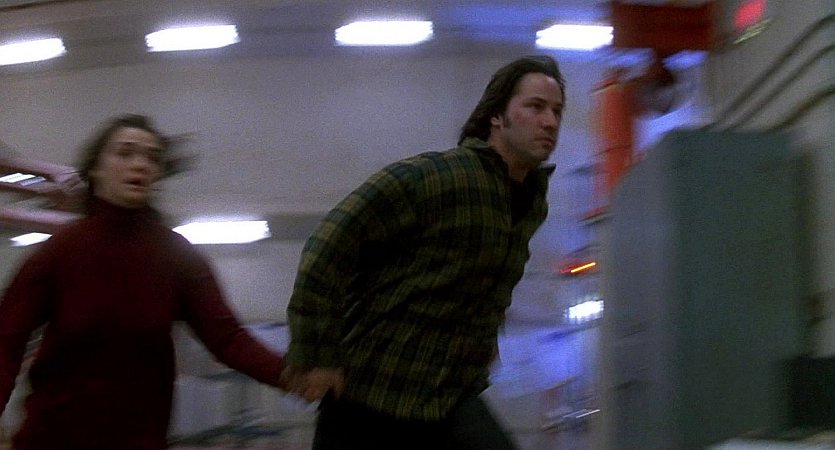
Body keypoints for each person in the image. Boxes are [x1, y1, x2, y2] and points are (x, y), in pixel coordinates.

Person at [284, 55, 565, 450]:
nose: (550, 122)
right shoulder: (438, 177)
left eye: (556, 111)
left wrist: (483, 343)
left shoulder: (530, 203)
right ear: (497, 116)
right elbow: (328, 245)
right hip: (371, 396)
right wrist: (316, 353)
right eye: (535, 107)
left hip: (448, 398)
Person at [0, 114, 290, 450]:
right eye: (125, 153)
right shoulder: (59, 252)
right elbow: (6, 340)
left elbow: (227, 338)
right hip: (51, 440)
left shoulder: (176, 255)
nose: (140, 164)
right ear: (95, 169)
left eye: (152, 157)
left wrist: (292, 375)